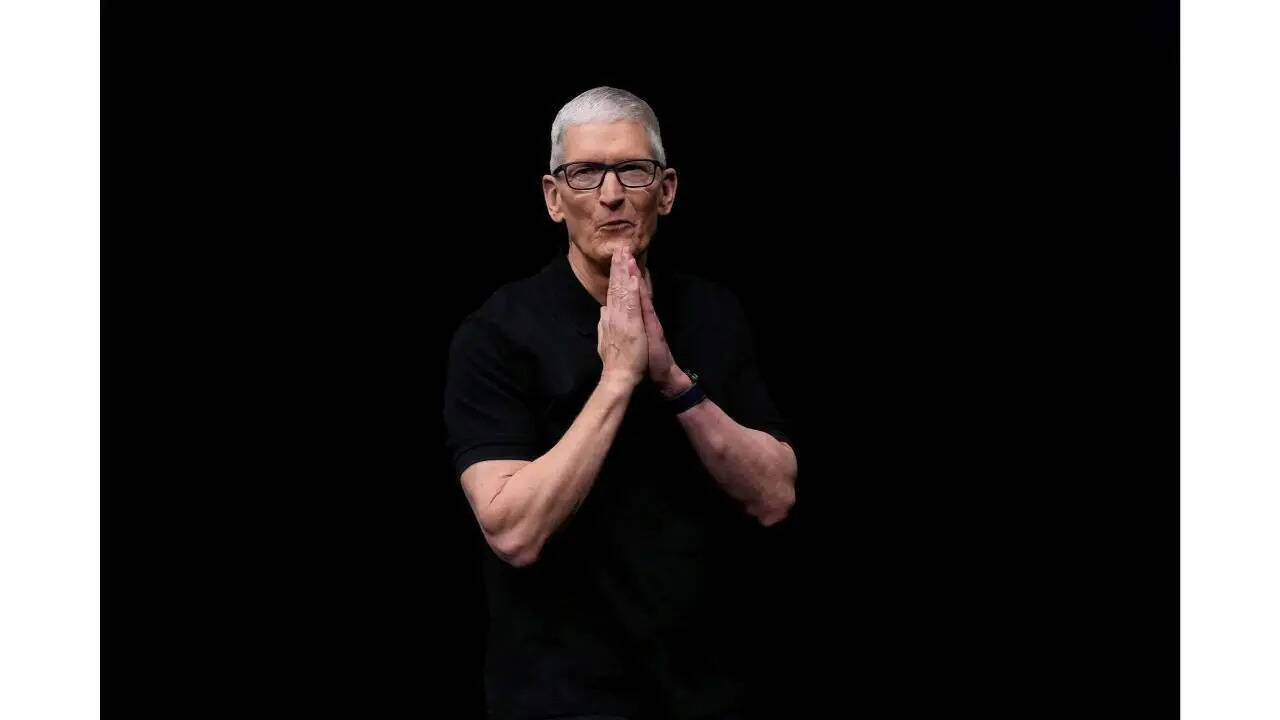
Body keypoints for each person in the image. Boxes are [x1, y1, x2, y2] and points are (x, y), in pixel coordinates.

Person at [443, 86, 798, 720]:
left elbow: (774, 496)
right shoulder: (496, 335)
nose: (611, 194)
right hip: (562, 699)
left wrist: (674, 383)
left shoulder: (713, 313)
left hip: (712, 692)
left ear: (667, 190)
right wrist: (618, 380)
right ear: (554, 198)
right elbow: (513, 531)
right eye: (585, 173)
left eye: (633, 170)